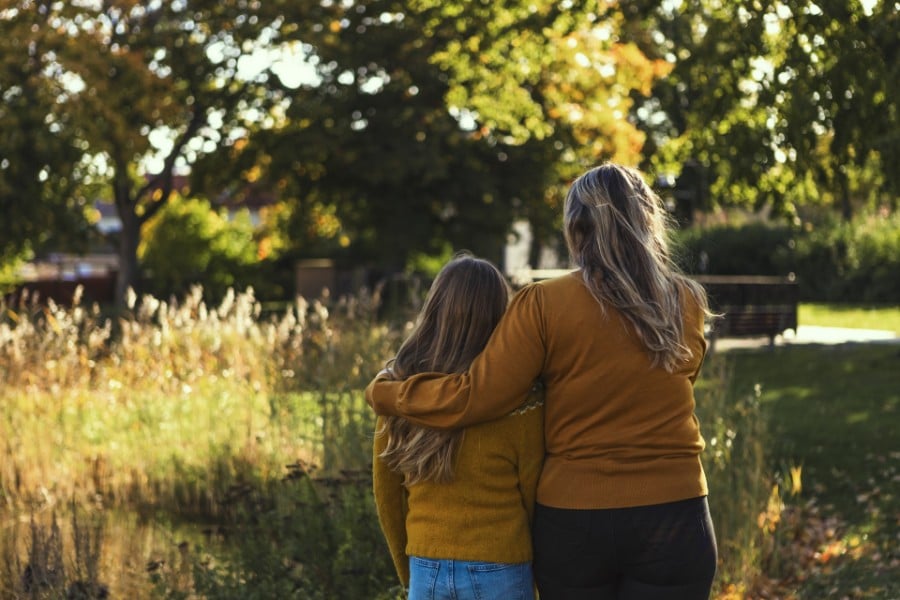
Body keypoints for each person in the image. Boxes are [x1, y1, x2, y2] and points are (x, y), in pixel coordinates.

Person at [367, 163, 718, 599]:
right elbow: (679, 380)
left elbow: (474, 397)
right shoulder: (685, 300)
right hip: (675, 516)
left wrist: (390, 393)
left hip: (578, 521)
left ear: (576, 229)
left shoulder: (543, 304)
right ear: (648, 221)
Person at [372, 253, 544, 600]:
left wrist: (410, 572)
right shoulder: (523, 400)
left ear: (434, 311)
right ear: (500, 317)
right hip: (502, 566)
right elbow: (534, 499)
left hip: (426, 565)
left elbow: (388, 496)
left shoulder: (399, 394)